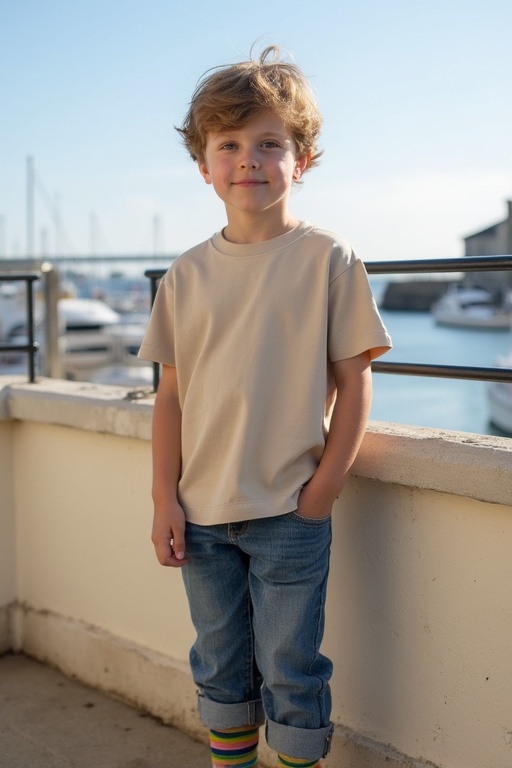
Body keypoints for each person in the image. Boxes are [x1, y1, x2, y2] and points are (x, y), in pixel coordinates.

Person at [138, 44, 392, 768]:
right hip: (201, 514)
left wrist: (323, 490)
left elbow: (355, 380)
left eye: (269, 143)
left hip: (290, 511)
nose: (249, 158)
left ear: (300, 160)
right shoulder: (184, 276)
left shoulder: (329, 258)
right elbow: (171, 398)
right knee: (220, 668)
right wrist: (164, 498)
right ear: (205, 165)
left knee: (292, 669)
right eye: (230, 144)